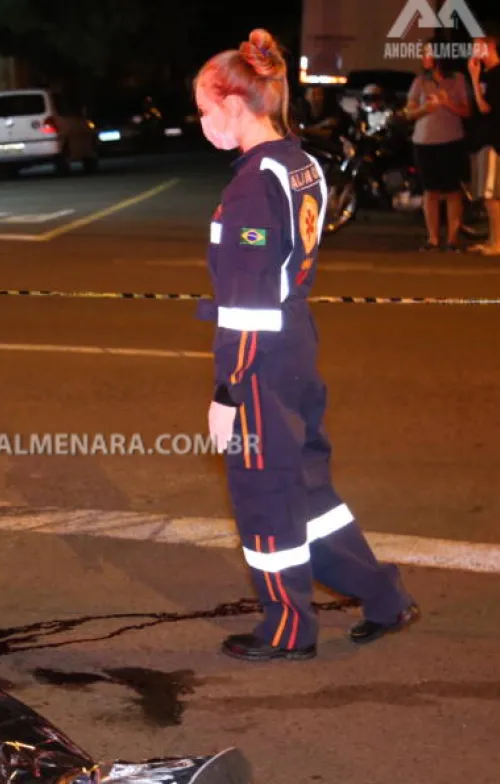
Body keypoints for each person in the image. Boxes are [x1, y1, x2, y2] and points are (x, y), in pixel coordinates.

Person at [192, 29, 420, 662]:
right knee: (310, 492)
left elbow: (246, 302)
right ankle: (383, 597)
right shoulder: (301, 162)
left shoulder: (248, 187)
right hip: (296, 344)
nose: (203, 124)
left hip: (262, 360)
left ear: (236, 105)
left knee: (266, 494)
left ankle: (289, 629)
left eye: (206, 111)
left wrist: (226, 391)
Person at [404, 46, 471, 251]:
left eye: (428, 53)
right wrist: (425, 109)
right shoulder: (420, 81)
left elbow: (467, 111)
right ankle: (432, 238)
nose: (424, 57)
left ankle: (452, 239)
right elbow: (409, 112)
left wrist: (447, 103)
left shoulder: (457, 79)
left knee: (452, 191)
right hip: (424, 142)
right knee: (430, 191)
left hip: (451, 141)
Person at [467, 27, 500, 255]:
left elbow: (485, 107)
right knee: (488, 197)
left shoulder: (496, 74)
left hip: (493, 142)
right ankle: (492, 240)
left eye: (477, 46)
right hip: (484, 141)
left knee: (492, 197)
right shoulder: (489, 74)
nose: (473, 51)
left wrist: (474, 78)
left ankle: (497, 243)